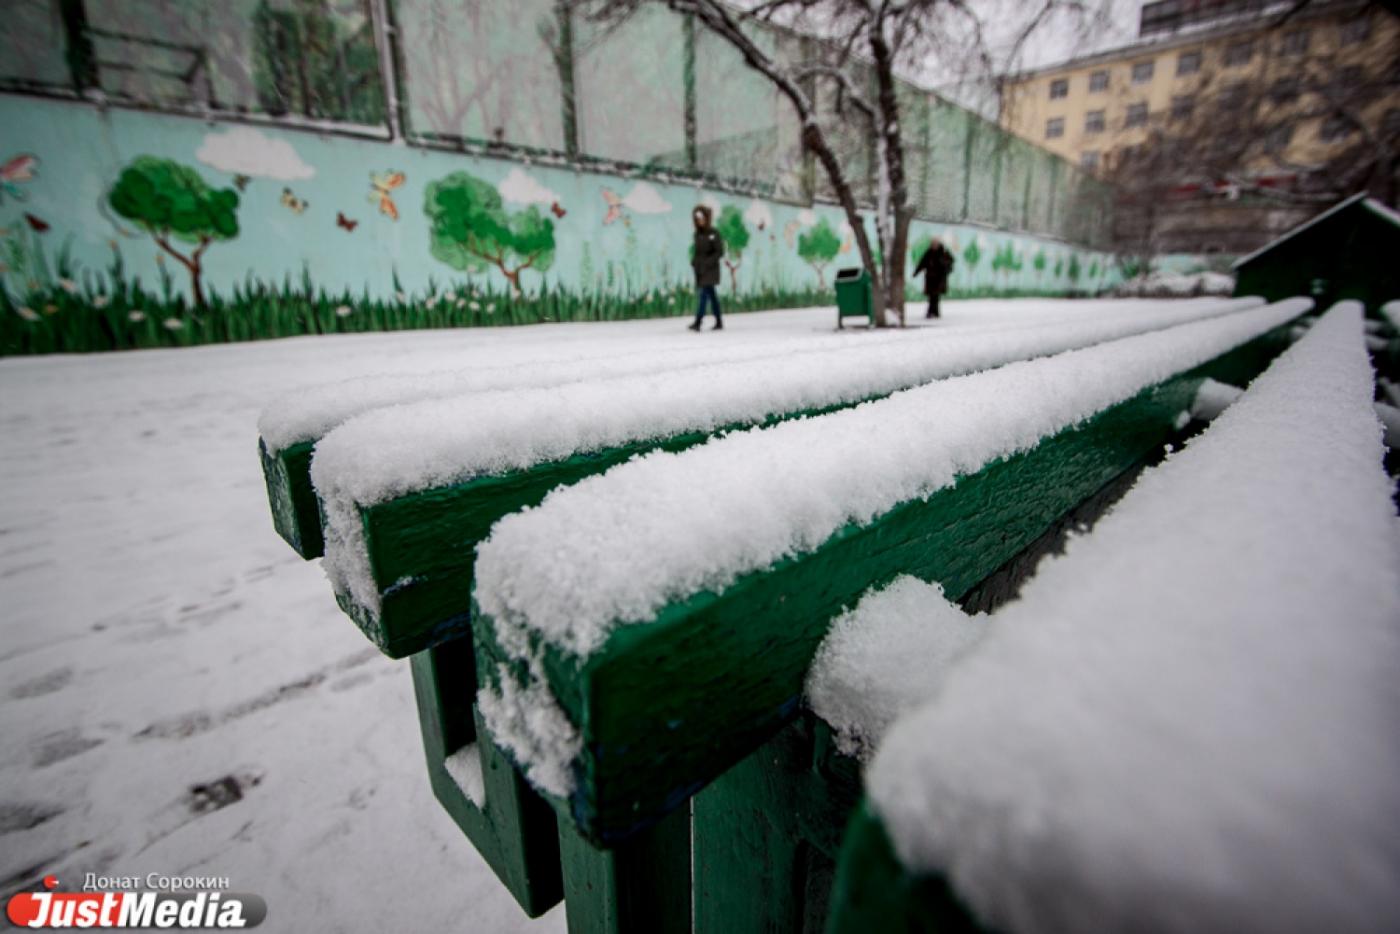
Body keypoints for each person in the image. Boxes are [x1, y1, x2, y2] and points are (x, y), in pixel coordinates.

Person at [689, 205, 724, 331]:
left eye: (702, 218)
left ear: (706, 218)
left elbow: (719, 252)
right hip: (700, 270)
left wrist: (707, 263)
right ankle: (719, 321)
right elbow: (698, 252)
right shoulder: (697, 234)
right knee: (712, 296)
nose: (700, 221)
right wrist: (694, 262)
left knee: (703, 295)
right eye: (697, 219)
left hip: (710, 270)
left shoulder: (713, 233)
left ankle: (698, 321)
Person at [913, 238, 955, 319]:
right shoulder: (929, 253)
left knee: (935, 296)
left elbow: (950, 263)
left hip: (939, 279)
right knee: (932, 296)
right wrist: (916, 272)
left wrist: (945, 267)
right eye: (932, 244)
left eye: (935, 244)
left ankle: (933, 312)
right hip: (930, 278)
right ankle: (933, 312)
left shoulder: (943, 252)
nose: (933, 246)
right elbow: (922, 263)